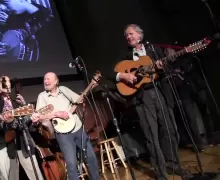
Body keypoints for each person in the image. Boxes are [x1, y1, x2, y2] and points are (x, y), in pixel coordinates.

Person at [110, 24, 191, 180]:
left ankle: (172, 163)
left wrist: (161, 67)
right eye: (126, 35)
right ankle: (160, 172)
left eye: (131, 34)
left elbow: (166, 71)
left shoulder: (153, 50)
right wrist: (123, 76)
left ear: (140, 35)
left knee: (170, 130)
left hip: (159, 92)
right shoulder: (125, 56)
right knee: (152, 135)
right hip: (142, 97)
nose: (128, 37)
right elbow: (109, 72)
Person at [31, 72, 100, 180]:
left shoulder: (63, 90)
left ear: (56, 81)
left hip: (77, 128)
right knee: (71, 164)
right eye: (44, 79)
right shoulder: (42, 96)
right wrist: (56, 114)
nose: (46, 81)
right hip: (63, 134)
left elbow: (79, 99)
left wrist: (90, 87)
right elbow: (39, 116)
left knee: (91, 157)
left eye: (48, 79)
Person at [0, 75, 44, 180]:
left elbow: (25, 123)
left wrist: (32, 117)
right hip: (5, 148)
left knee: (35, 175)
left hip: (22, 144)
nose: (7, 84)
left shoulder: (15, 102)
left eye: (8, 82)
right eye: (4, 82)